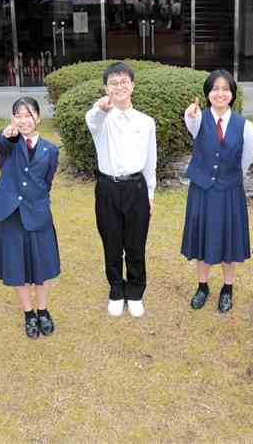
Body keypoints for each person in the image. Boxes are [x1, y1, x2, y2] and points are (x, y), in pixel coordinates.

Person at [0, 97, 60, 339]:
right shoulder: (7, 143)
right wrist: (9, 134)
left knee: (44, 265)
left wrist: (38, 201)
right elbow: (4, 139)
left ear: (38, 117)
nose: (24, 120)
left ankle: (43, 310)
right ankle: (28, 313)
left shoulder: (50, 150)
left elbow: (47, 182)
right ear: (13, 118)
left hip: (38, 213)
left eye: (29, 115)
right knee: (17, 265)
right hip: (11, 214)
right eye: (18, 115)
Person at [86, 61, 157, 318]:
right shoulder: (99, 119)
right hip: (107, 188)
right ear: (106, 87)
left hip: (136, 188)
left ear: (132, 86)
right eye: (113, 83)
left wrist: (150, 194)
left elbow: (151, 162)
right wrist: (101, 108)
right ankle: (116, 289)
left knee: (136, 244)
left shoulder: (146, 122)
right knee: (112, 243)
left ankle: (136, 291)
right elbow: (93, 118)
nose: (119, 87)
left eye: (123, 82)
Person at [181, 70, 253, 313]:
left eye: (225, 89)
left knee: (228, 241)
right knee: (202, 238)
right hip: (202, 189)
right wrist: (190, 114)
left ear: (232, 94)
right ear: (208, 93)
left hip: (229, 190)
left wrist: (229, 180)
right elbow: (190, 122)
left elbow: (245, 161)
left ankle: (227, 288)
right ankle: (202, 286)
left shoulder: (244, 126)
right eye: (215, 89)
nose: (220, 93)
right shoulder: (198, 118)